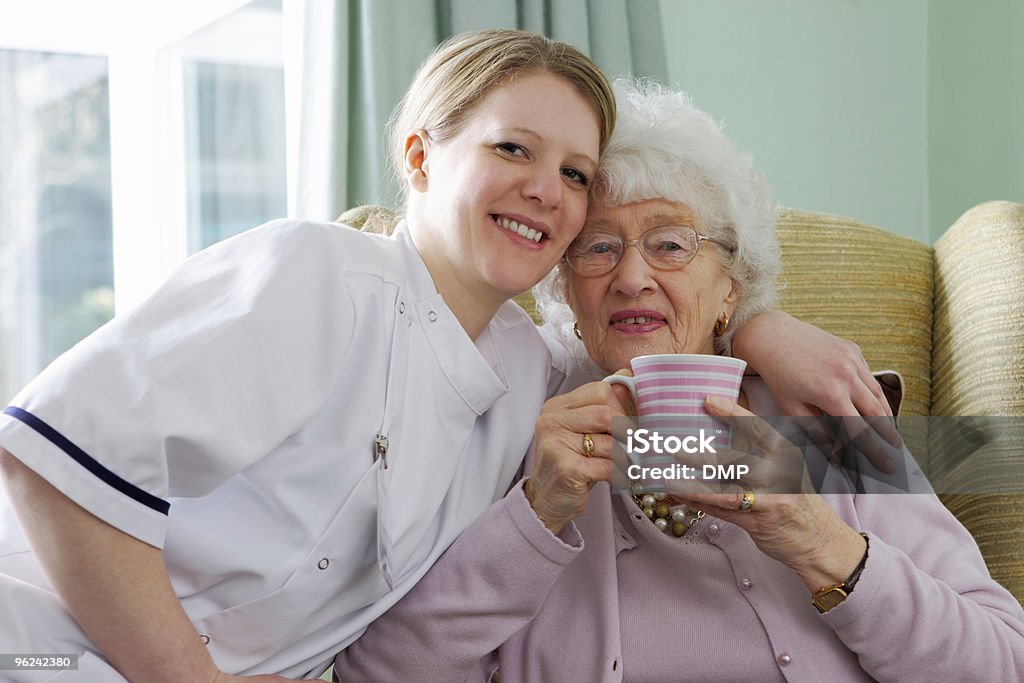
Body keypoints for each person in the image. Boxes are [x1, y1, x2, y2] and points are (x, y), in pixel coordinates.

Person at [0, 30, 889, 682]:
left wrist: (761, 328)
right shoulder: (320, 274)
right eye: (513, 148)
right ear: (421, 156)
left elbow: (652, 347)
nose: (547, 189)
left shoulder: (525, 371)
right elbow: (42, 457)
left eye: (575, 173)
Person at [332, 80, 1024, 682]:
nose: (632, 276)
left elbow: (1002, 663)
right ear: (566, 287)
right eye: (599, 247)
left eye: (670, 244)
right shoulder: (513, 420)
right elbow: (382, 672)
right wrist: (535, 514)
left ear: (733, 288)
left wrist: (817, 536)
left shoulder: (824, 418)